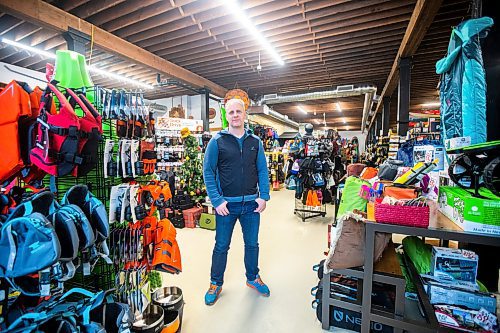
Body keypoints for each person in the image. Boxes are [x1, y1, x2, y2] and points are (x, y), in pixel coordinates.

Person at [202, 98, 271, 305]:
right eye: (230, 112)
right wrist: (217, 200)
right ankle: (215, 282)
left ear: (244, 114)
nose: (234, 115)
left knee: (252, 244)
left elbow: (262, 170)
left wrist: (264, 196)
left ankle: (252, 278)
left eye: (238, 111)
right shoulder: (217, 141)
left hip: (251, 204)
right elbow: (208, 171)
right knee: (221, 245)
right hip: (226, 206)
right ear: (226, 115)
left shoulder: (255, 142)